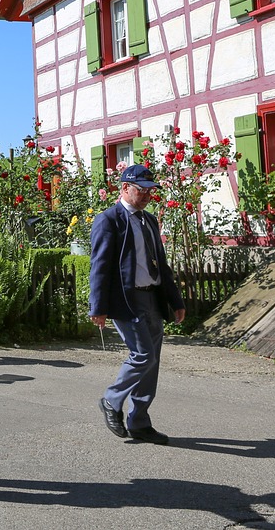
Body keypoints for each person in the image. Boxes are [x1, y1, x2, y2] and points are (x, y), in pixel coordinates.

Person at [89, 164, 185, 446]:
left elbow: (162, 265)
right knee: (142, 355)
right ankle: (111, 400)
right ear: (125, 188)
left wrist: (175, 300)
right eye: (140, 190)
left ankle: (140, 421)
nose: (146, 196)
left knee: (151, 361)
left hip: (152, 297)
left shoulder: (150, 220)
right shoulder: (109, 220)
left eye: (150, 191)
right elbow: (100, 266)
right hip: (126, 300)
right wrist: (98, 306)